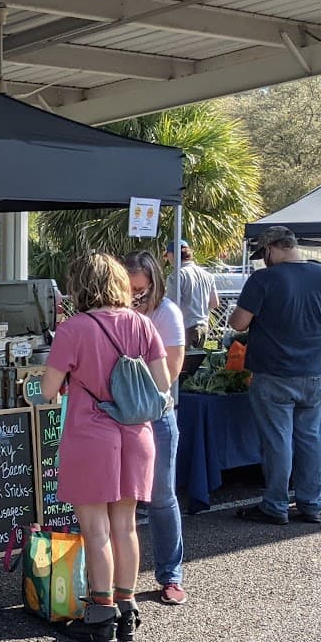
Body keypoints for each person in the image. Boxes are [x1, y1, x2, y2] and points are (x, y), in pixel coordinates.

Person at [39, 253, 170, 642]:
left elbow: (47, 390)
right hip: (137, 434)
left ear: (80, 285)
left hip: (90, 435)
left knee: (95, 529)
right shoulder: (142, 324)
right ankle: (127, 609)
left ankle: (100, 616)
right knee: (125, 526)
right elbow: (163, 383)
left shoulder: (73, 329)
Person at [228, 226, 321, 525]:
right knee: (311, 439)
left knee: (278, 441)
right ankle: (311, 503)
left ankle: (276, 504)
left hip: (274, 371)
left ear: (271, 249)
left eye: (263, 254)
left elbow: (238, 323)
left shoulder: (263, 279)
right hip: (314, 370)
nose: (263, 260)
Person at [124, 251, 188, 606]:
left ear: (154, 283)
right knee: (120, 502)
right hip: (121, 416)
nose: (135, 295)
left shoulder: (166, 313)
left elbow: (171, 372)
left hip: (157, 414)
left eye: (141, 289)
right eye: (129, 288)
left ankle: (170, 575)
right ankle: (117, 583)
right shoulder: (116, 312)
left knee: (161, 497)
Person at [166, 240, 219, 349]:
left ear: (171, 255)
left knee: (184, 360)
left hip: (185, 328)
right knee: (197, 359)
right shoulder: (207, 275)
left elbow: (172, 305)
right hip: (203, 326)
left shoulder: (176, 276)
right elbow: (214, 303)